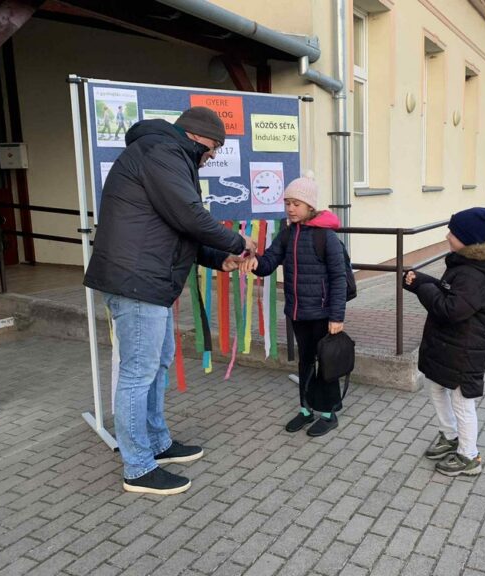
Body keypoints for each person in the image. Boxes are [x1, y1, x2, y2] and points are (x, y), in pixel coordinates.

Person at [84, 107, 256, 495]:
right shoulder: (162, 152)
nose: (213, 156)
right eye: (214, 148)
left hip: (149, 282)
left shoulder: (167, 155)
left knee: (157, 364)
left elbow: (179, 230)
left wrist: (220, 259)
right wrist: (238, 242)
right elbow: (190, 217)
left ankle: (157, 443)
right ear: (197, 137)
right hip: (137, 281)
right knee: (138, 374)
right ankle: (138, 468)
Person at [240, 174, 347, 437]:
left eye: (296, 204)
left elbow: (339, 278)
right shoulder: (287, 235)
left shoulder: (326, 237)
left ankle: (329, 414)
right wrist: (254, 262)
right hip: (298, 312)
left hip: (323, 313)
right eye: (287, 203)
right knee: (305, 361)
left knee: (326, 362)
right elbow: (269, 262)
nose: (290, 208)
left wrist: (337, 316)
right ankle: (305, 410)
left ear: (310, 206)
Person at [403, 207, 485, 477]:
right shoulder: (465, 264)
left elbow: (451, 309)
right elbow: (449, 291)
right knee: (436, 385)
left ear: (467, 238)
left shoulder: (473, 275)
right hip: (452, 343)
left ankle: (469, 456)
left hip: (466, 350)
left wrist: (422, 288)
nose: (447, 235)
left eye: (452, 232)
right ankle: (450, 435)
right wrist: (421, 281)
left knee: (463, 400)